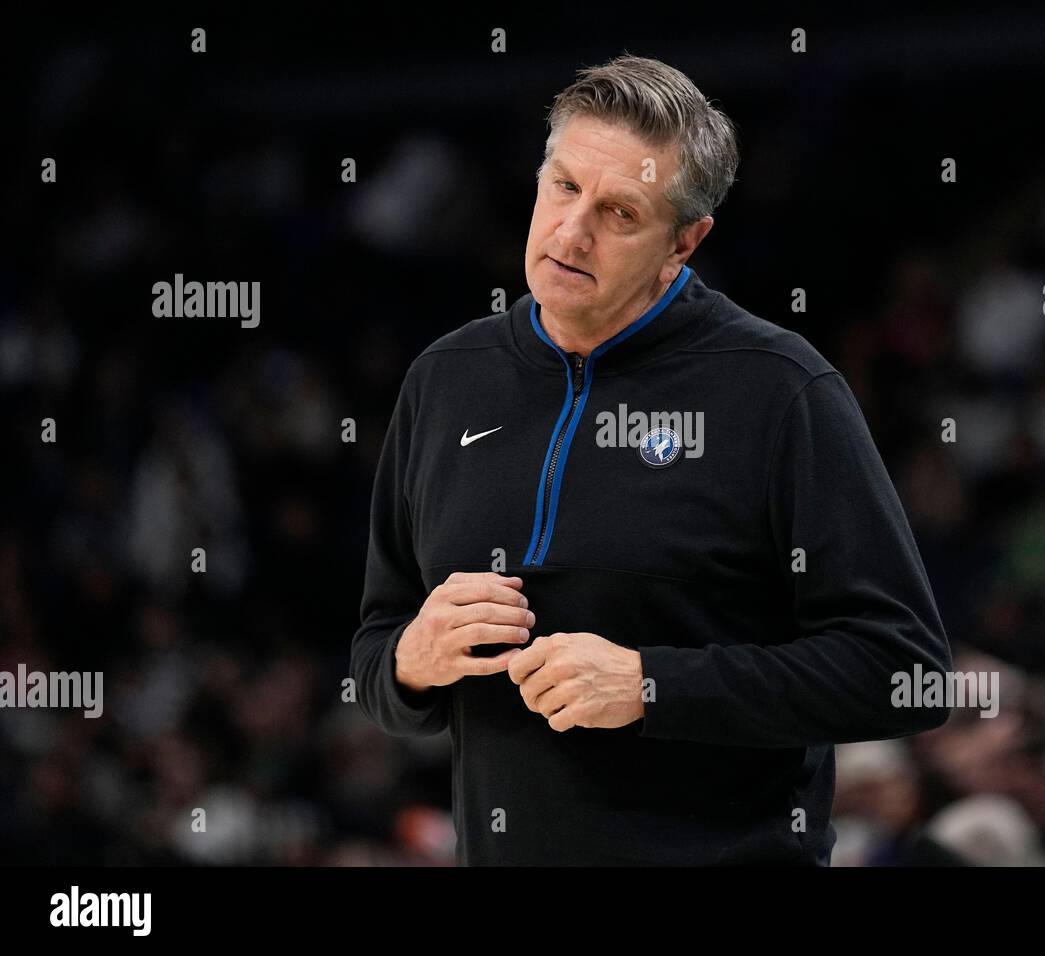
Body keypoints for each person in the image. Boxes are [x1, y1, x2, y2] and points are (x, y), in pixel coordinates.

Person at [350, 53, 952, 865]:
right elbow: (378, 646)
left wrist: (653, 686)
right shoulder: (445, 380)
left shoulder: (780, 391)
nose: (571, 232)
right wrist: (413, 665)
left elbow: (903, 669)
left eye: (620, 212)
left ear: (685, 241)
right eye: (562, 187)